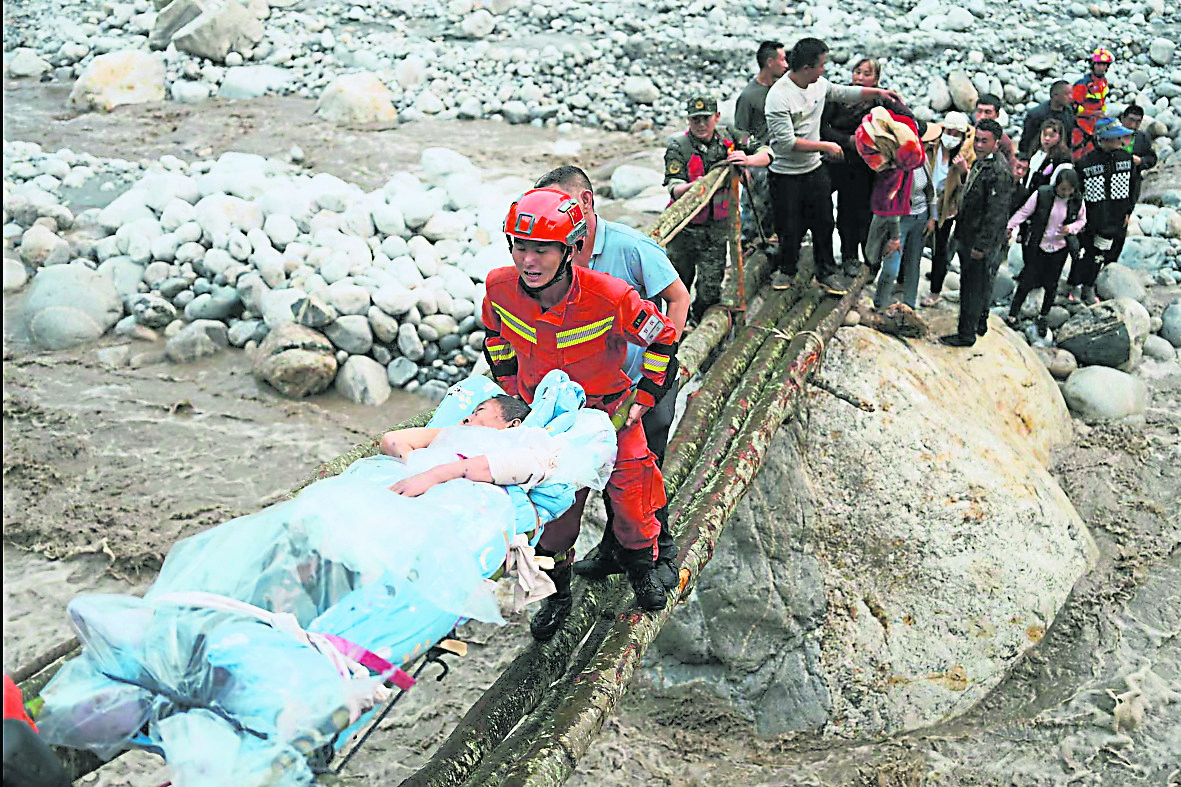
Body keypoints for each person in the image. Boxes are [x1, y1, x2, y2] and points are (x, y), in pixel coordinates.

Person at [482, 188, 679, 639]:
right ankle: (558, 594)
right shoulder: (499, 288)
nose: (528, 260)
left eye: (541, 250)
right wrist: (514, 393)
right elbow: (494, 337)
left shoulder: (609, 296)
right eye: (520, 247)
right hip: (549, 425)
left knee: (633, 501)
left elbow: (663, 340)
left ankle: (641, 570)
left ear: (569, 249)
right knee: (554, 520)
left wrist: (643, 400)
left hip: (609, 416)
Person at [533, 164, 687, 590]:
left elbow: (678, 297)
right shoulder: (551, 249)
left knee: (643, 468)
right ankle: (609, 551)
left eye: (560, 204)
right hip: (589, 391)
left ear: (585, 202)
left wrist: (662, 362)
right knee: (597, 473)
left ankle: (662, 553)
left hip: (640, 384)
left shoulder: (630, 247)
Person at [764, 37, 902, 293]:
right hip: (786, 173)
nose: (825, 69)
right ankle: (787, 269)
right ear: (807, 68)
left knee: (824, 221)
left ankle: (825, 271)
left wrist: (879, 93)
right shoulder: (779, 96)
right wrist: (825, 146)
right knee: (789, 224)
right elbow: (785, 143)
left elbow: (842, 91)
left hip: (814, 169)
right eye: (822, 64)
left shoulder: (818, 85)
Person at [663, 95, 771, 324]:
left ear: (717, 117)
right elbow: (673, 187)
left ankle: (700, 323)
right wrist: (697, 188)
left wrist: (748, 160)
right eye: (695, 120)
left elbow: (767, 153)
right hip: (685, 230)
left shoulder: (730, 137)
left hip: (717, 229)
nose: (701, 125)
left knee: (710, 289)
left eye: (706, 119)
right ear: (688, 121)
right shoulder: (678, 147)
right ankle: (672, 331)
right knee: (676, 286)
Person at [821, 57, 911, 278]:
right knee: (835, 211)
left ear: (876, 79)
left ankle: (866, 262)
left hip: (866, 168)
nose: (860, 78)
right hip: (839, 160)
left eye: (866, 74)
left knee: (861, 214)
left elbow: (908, 121)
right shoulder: (839, 98)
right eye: (857, 72)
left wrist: (897, 103)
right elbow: (822, 127)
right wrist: (848, 140)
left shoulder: (880, 102)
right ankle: (845, 256)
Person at [940, 119, 1013, 347]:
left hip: (979, 240)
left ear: (996, 142)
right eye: (977, 140)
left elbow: (996, 214)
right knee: (976, 284)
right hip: (968, 233)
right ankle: (979, 322)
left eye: (984, 141)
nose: (979, 145)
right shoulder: (983, 163)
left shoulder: (999, 172)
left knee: (973, 287)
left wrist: (981, 246)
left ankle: (966, 334)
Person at [1069, 116, 1141, 304]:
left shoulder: (1126, 159)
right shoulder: (1086, 163)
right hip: (1094, 219)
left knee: (1110, 253)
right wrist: (1079, 219)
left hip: (1118, 218)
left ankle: (1097, 284)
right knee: (1089, 254)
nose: (1120, 142)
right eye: (1116, 138)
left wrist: (1128, 212)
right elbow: (1077, 195)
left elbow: (1133, 187)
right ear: (1103, 139)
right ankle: (1080, 286)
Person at [1006, 166, 1087, 334]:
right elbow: (1024, 212)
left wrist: (1070, 229)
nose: (1065, 193)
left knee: (1052, 285)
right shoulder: (1042, 194)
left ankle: (1043, 316)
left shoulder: (1077, 200)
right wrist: (1010, 226)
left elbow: (1082, 221)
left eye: (1069, 190)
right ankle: (1013, 314)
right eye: (1062, 189)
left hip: (1059, 247)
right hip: (1038, 244)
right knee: (1027, 281)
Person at [735, 40, 786, 245]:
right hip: (757, 163)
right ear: (769, 62)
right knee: (754, 209)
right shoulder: (749, 96)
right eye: (781, 60)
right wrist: (744, 166)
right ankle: (748, 247)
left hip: (780, 159)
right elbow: (740, 132)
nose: (786, 65)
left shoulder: (782, 89)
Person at [920, 111, 975, 307]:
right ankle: (902, 279)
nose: (951, 137)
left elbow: (966, 189)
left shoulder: (965, 157)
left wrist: (963, 172)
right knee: (913, 241)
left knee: (939, 249)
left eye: (956, 134)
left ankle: (935, 291)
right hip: (923, 200)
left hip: (946, 208)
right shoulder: (931, 147)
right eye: (948, 132)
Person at [1071, 47, 1114, 159]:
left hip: (1095, 126)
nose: (1102, 68)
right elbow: (1072, 109)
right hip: (1079, 127)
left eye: (1104, 65)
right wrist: (1092, 113)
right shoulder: (1083, 85)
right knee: (1076, 155)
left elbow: (1102, 103)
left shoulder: (1103, 82)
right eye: (1099, 64)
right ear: (1092, 65)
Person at [1019, 81, 1077, 160]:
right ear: (1056, 96)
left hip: (1061, 156)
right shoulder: (1036, 115)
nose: (1071, 97)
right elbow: (1026, 141)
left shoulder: (1069, 112)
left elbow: (1069, 137)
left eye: (1071, 93)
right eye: (1067, 94)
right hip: (1038, 156)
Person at [973, 93, 1019, 172]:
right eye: (979, 111)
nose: (982, 116)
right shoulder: (969, 133)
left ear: (996, 115)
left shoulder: (1004, 142)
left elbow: (1011, 168)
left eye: (987, 112)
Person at [1120, 104, 1158, 175]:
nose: (1133, 125)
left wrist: (1141, 161)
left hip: (1134, 180)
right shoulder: (1110, 137)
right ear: (1122, 118)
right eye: (1130, 120)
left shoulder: (1142, 138)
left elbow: (1152, 158)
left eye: (1137, 122)